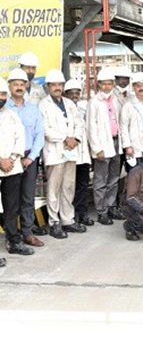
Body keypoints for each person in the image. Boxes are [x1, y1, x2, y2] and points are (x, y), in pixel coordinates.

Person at [39, 69, 86, 239]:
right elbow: (46, 130)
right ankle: (54, 222)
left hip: (70, 151)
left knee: (68, 187)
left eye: (60, 84)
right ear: (49, 86)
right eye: (54, 85)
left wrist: (75, 139)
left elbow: (80, 124)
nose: (57, 87)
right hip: (55, 152)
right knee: (53, 189)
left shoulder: (69, 104)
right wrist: (65, 138)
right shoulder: (43, 105)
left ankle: (68, 219)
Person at [7, 68, 45, 246]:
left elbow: (40, 135)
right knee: (10, 199)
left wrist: (31, 158)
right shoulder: (4, 108)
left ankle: (27, 232)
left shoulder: (33, 109)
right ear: (10, 86)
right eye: (16, 84)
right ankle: (12, 235)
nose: (19, 87)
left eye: (22, 84)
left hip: (30, 158)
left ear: (26, 86)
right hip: (9, 160)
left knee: (28, 197)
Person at [86, 67, 124, 225]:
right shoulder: (93, 102)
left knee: (114, 178)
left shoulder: (117, 100)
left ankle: (111, 207)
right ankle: (101, 211)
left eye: (110, 84)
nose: (107, 86)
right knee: (101, 180)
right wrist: (97, 149)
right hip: (102, 145)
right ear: (99, 84)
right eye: (104, 84)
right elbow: (90, 127)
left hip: (116, 142)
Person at [0, 77, 33, 257]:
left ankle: (14, 242)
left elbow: (20, 139)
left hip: (11, 167)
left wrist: (11, 158)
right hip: (2, 164)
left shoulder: (12, 115)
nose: (1, 97)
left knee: (12, 207)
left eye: (3, 94)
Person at [64, 78, 94, 226]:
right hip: (69, 153)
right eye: (71, 93)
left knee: (83, 184)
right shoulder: (62, 110)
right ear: (66, 94)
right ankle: (71, 214)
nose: (75, 96)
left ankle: (82, 213)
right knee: (69, 186)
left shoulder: (83, 110)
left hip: (84, 154)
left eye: (77, 93)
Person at [120, 72, 143, 171]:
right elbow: (123, 127)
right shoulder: (128, 105)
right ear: (133, 87)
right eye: (138, 86)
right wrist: (127, 146)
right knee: (134, 178)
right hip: (134, 148)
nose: (141, 88)